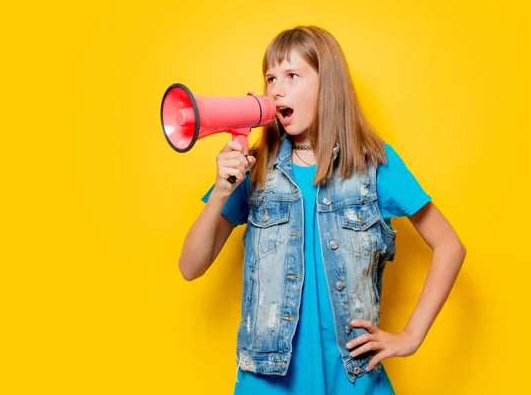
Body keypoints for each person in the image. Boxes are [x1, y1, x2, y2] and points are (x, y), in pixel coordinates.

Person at [178, 25, 466, 394]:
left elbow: (450, 246)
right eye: (270, 78)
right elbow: (190, 266)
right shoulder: (257, 167)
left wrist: (411, 336)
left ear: (327, 85)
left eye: (292, 76)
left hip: (353, 382)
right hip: (267, 383)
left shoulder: (375, 166)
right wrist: (220, 192)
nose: (275, 89)